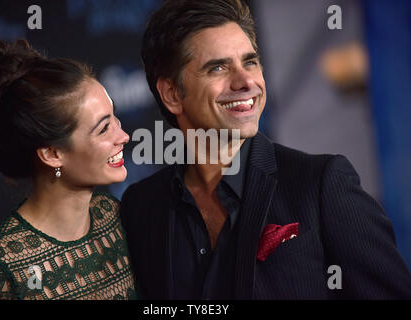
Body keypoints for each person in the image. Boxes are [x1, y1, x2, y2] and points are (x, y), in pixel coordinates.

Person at [120, 0, 411, 299]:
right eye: (218, 67)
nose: (246, 81)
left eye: (250, 62)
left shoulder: (322, 183)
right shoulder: (141, 207)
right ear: (172, 94)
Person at [0, 39, 136, 300]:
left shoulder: (113, 216)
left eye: (115, 118)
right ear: (52, 154)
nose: (123, 136)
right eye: (103, 128)